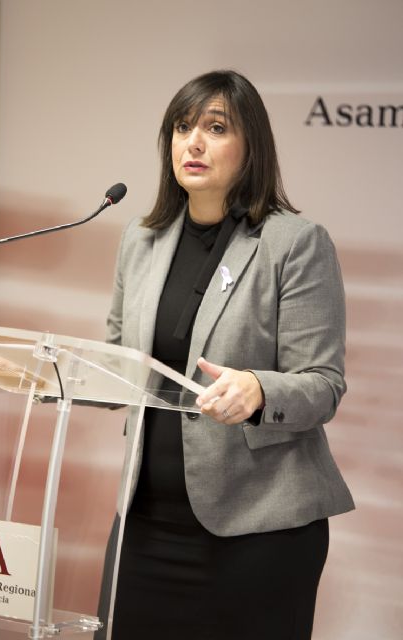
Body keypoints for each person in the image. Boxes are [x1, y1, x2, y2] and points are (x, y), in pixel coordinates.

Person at [96, 70, 355, 640]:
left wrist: (260, 390)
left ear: (251, 146)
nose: (193, 142)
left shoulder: (295, 242)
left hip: (257, 532)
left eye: (215, 128)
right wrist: (42, 372)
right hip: (145, 525)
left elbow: (323, 382)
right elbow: (117, 361)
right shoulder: (140, 241)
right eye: (183, 127)